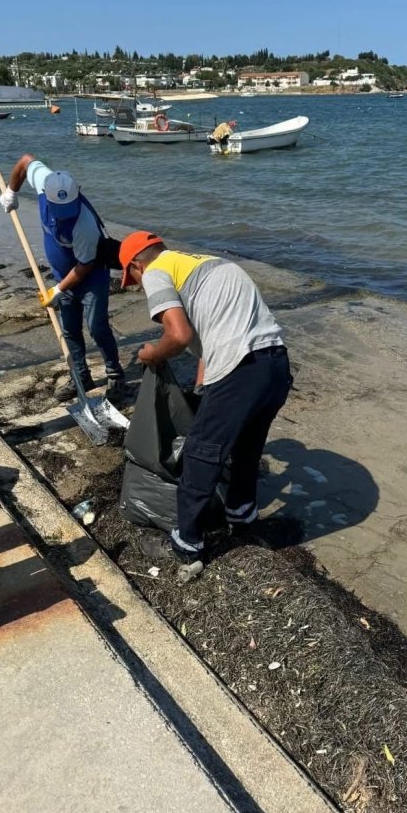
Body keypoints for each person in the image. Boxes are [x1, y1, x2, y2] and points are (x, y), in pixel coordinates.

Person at [118, 231, 292, 566]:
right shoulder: (210, 263)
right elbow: (212, 338)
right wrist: (202, 391)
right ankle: (242, 515)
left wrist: (152, 354)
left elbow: (179, 336)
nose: (139, 286)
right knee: (247, 446)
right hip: (276, 366)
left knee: (201, 454)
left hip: (241, 369)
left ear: (137, 265)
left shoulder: (157, 271)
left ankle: (188, 545)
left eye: (134, 279)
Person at [0, 155, 125, 403]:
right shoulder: (46, 181)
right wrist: (11, 192)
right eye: (60, 210)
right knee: (69, 330)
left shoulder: (84, 224)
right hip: (62, 275)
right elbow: (25, 161)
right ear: (47, 195)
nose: (66, 215)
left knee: (97, 328)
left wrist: (58, 289)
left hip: (91, 277)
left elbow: (85, 265)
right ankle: (81, 375)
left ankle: (115, 376)